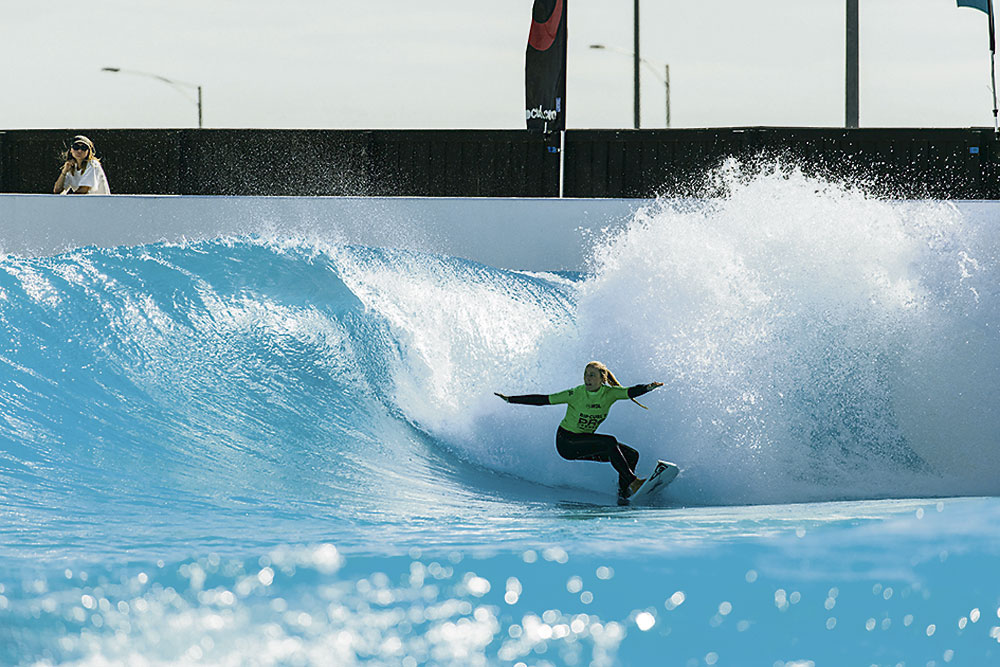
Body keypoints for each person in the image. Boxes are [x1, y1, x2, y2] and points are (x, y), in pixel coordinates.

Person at [496, 361, 663, 503]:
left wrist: (648, 387)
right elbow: (543, 400)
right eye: (586, 374)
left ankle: (624, 493)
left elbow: (631, 391)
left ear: (602, 379)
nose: (587, 378)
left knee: (631, 455)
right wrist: (511, 399)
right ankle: (634, 482)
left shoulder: (610, 394)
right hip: (566, 442)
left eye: (592, 375)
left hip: (584, 441)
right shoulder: (575, 394)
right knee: (609, 442)